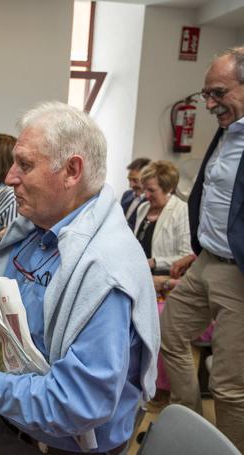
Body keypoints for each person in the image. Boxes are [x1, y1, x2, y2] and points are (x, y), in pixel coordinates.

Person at [0, 101, 159, 454]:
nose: (9, 177)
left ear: (71, 171)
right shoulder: (38, 229)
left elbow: (78, 403)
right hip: (16, 425)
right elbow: (1, 303)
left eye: (24, 165)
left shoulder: (105, 271)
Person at [160, 46, 244, 452]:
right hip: (207, 260)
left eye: (218, 93)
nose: (209, 103)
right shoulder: (229, 129)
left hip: (238, 274)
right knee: (169, 334)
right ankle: (189, 430)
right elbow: (219, 201)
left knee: (229, 387)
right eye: (205, 94)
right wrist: (200, 249)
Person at [131, 160, 192, 406]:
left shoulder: (181, 212)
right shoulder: (144, 210)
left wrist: (154, 262)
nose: (146, 195)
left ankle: (159, 390)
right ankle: (137, 381)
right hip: (145, 278)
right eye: (144, 189)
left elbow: (186, 253)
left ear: (168, 188)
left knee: (156, 318)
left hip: (168, 280)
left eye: (152, 190)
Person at [121, 157, 151, 230]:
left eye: (135, 180)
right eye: (129, 180)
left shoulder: (151, 202)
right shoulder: (127, 195)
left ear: (148, 179)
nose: (130, 185)